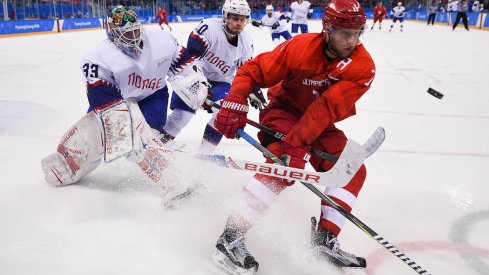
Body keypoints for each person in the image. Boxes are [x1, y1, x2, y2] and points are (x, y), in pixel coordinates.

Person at [211, 0, 376, 273]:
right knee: (282, 167)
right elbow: (254, 70)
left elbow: (324, 110)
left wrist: (298, 145)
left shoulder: (362, 66)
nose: (352, 40)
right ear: (327, 29)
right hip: (284, 112)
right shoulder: (299, 48)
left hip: (320, 123)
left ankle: (325, 237)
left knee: (353, 168)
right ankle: (230, 236)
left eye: (358, 32)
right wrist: (235, 99)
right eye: (345, 34)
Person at [40, 6, 208, 196]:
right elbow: (106, 107)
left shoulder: (163, 40)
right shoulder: (96, 60)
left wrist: (195, 84)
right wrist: (125, 136)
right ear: (111, 32)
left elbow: (182, 64)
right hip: (115, 101)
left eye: (136, 30)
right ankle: (69, 163)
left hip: (153, 95)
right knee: (107, 139)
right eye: (127, 34)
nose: (134, 37)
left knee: (149, 138)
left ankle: (175, 182)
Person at [162, 0, 263, 155]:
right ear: (225, 16)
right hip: (193, 76)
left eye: (242, 19)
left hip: (221, 82)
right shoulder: (209, 27)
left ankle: (205, 154)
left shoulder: (246, 42)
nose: (239, 23)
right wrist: (201, 86)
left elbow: (244, 71)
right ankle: (161, 142)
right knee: (183, 115)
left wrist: (252, 88)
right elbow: (191, 58)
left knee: (224, 114)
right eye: (235, 18)